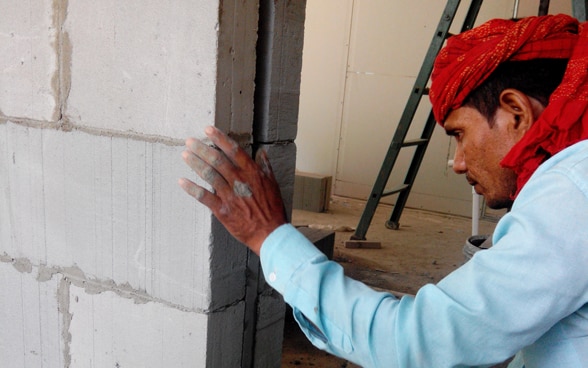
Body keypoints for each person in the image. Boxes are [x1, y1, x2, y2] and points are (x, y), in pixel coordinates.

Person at [179, 14, 588, 368]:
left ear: (515, 111)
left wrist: (268, 236)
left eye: (460, 134)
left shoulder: (573, 195)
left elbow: (418, 343)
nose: (459, 161)